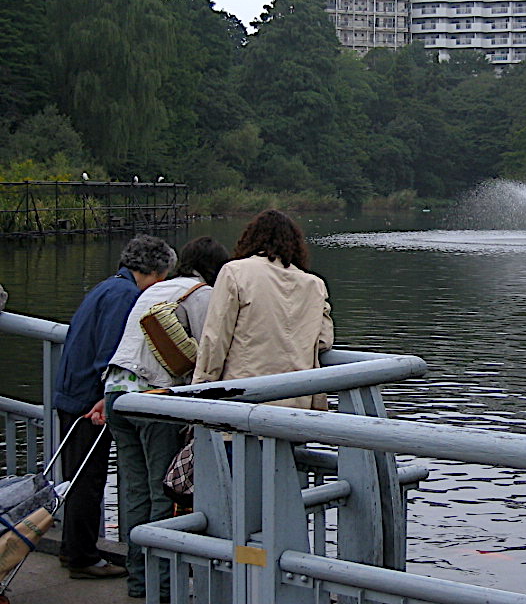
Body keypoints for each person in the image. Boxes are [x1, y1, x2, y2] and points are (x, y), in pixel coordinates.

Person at [102, 236, 229, 600]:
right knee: (163, 492)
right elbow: (209, 354)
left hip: (116, 393)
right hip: (152, 399)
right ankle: (162, 584)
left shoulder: (155, 289)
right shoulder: (200, 294)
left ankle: (138, 581)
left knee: (135, 490)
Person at [52, 234, 176, 580]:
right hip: (86, 400)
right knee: (87, 481)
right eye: (163, 275)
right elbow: (110, 352)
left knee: (78, 477)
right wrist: (103, 397)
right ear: (153, 270)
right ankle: (82, 558)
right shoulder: (125, 297)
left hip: (70, 393)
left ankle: (72, 549)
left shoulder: (107, 287)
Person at [194, 210, 334, 409]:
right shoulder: (314, 285)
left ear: (250, 238)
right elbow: (323, 341)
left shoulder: (235, 272)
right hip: (296, 401)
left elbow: (215, 339)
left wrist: (200, 390)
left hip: (244, 397)